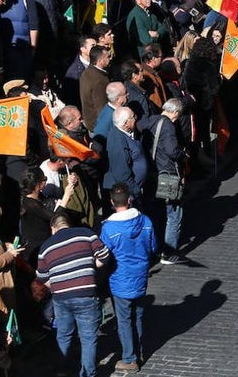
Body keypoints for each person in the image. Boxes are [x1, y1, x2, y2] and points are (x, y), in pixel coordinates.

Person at [36, 212, 111, 377]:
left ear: (53, 228)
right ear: (68, 224)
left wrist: (56, 285)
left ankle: (62, 370)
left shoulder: (46, 246)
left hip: (61, 298)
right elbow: (104, 256)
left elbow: (42, 277)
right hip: (86, 293)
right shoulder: (86, 234)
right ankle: (88, 373)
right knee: (88, 338)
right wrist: (91, 267)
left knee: (63, 335)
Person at [99, 184, 158, 373]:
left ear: (111, 202)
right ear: (129, 200)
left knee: (124, 320)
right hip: (140, 275)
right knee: (138, 315)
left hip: (120, 279)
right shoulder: (146, 221)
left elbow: (103, 255)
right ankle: (139, 351)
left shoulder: (108, 228)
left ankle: (130, 358)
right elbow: (153, 247)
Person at [139, 97, 188, 264]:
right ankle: (168, 252)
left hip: (151, 173)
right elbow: (172, 150)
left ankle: (155, 247)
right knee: (174, 213)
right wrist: (183, 155)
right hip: (166, 173)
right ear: (174, 112)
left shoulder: (150, 120)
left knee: (156, 213)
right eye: (178, 116)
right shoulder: (167, 126)